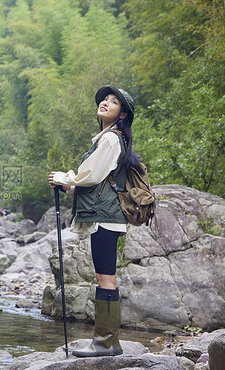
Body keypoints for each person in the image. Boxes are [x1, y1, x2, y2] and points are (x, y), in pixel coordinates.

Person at [48, 85, 143, 357]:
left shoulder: (111, 139)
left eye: (113, 102)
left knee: (105, 278)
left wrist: (65, 179)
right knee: (105, 276)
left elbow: (89, 176)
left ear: (122, 114)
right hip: (106, 216)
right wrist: (67, 184)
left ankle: (105, 343)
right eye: (105, 99)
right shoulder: (109, 138)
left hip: (105, 217)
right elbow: (95, 180)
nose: (105, 102)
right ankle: (109, 342)